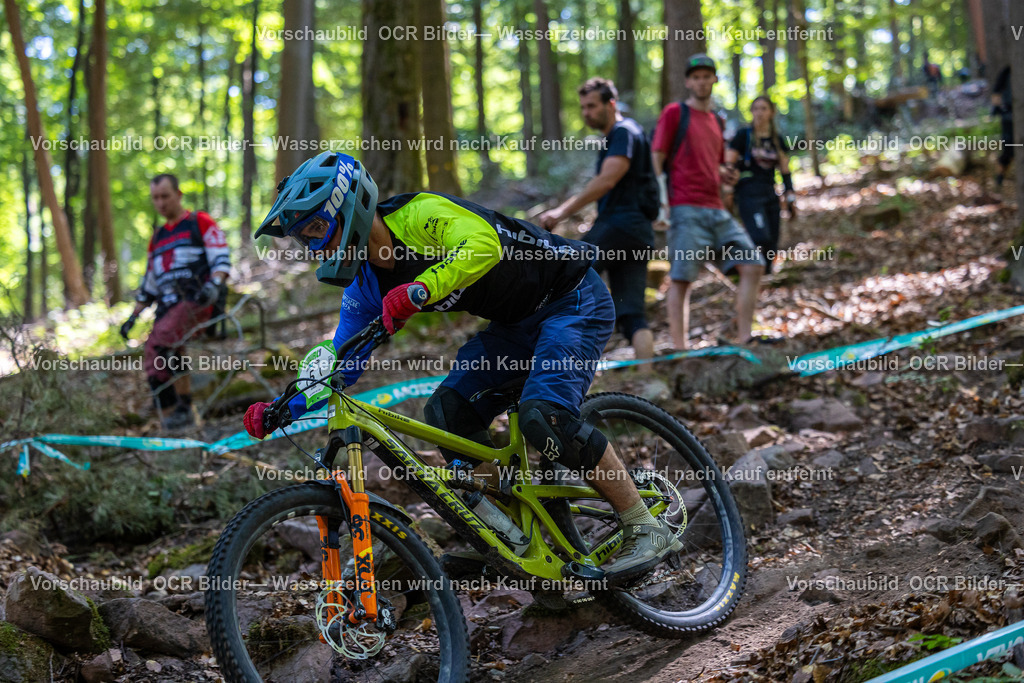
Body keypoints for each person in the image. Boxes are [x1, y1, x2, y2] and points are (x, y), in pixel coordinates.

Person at [243, 151, 682, 582]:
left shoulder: (418, 215)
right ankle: (522, 543)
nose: (316, 246)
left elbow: (483, 243)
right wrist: (287, 405)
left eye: (317, 229)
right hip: (513, 326)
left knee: (544, 417)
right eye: (305, 238)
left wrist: (421, 287)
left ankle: (644, 524)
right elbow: (342, 359)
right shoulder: (364, 286)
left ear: (350, 205)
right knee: (448, 413)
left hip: (570, 297)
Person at [651, 54, 764, 349]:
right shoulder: (675, 113)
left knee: (752, 264)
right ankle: (680, 348)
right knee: (682, 278)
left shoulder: (717, 120)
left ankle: (744, 338)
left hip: (717, 209)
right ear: (688, 81)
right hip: (684, 208)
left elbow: (714, 164)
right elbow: (658, 156)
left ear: (715, 79)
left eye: (707, 76)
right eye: (696, 77)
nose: (702, 81)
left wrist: (725, 175)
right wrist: (661, 202)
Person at [539, 77, 655, 360]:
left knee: (568, 277)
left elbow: (606, 181)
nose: (586, 113)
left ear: (611, 104)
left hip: (620, 226)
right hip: (637, 233)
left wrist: (561, 211)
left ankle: (550, 362)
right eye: (582, 107)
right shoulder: (624, 134)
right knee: (632, 314)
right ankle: (649, 382)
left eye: (592, 106)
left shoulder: (624, 132)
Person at [121, 174, 230, 429]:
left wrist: (213, 286)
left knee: (156, 347)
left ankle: (171, 413)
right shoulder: (157, 237)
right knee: (172, 349)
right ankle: (185, 408)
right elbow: (150, 284)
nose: (160, 203)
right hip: (167, 307)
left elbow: (221, 259)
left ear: (179, 195)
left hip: (197, 301)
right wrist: (133, 317)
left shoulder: (199, 222)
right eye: (155, 198)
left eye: (165, 196)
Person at [726, 95, 796, 274]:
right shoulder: (743, 136)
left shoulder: (777, 140)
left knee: (772, 240)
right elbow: (729, 163)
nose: (759, 113)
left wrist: (790, 195)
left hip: (770, 193)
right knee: (759, 236)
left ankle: (766, 275)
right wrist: (728, 188)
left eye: (764, 108)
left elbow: (785, 170)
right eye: (756, 108)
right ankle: (740, 266)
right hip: (748, 193)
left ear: (771, 112)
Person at [993, 65, 1013, 191]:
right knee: (1008, 152)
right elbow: (996, 94)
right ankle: (999, 178)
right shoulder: (1006, 72)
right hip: (1008, 119)